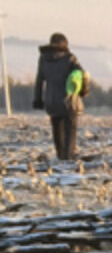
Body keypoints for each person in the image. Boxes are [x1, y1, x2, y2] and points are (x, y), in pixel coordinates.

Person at [32, 33, 85, 161]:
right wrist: (83, 92)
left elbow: (39, 80)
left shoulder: (43, 59)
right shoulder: (70, 58)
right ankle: (67, 158)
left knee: (57, 130)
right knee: (70, 131)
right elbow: (80, 76)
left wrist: (38, 100)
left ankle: (60, 156)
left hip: (51, 101)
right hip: (68, 101)